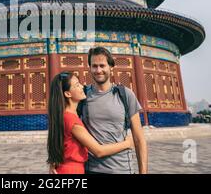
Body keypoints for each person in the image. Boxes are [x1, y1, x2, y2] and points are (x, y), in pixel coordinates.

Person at [60, 46, 148, 174]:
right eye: (94, 66)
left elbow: (139, 139)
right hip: (91, 169)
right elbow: (62, 128)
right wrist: (54, 161)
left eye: (102, 65)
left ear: (111, 67)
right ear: (89, 68)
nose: (98, 70)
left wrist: (143, 172)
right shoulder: (83, 95)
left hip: (122, 169)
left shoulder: (125, 94)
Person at [47, 72, 135, 174]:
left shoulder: (63, 115)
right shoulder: (71, 120)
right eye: (77, 85)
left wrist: (53, 163)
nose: (82, 87)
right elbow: (98, 151)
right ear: (68, 94)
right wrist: (127, 143)